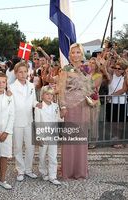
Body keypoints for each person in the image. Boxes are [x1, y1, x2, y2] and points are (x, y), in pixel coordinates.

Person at [59, 43, 93, 179]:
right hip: (70, 108)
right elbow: (61, 89)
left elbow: (90, 88)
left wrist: (90, 96)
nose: (75, 55)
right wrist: (62, 106)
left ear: (82, 54)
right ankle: (68, 171)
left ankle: (80, 171)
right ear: (70, 55)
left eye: (78, 52)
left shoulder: (86, 69)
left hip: (83, 106)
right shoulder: (65, 69)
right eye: (73, 52)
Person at [10, 61, 40, 181]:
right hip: (16, 121)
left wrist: (39, 104)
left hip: (29, 120)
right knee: (17, 147)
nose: (23, 74)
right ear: (16, 73)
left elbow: (33, 101)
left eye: (25, 71)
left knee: (30, 146)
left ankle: (28, 169)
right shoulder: (11, 87)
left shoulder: (31, 86)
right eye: (20, 72)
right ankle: (20, 170)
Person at [35, 85, 61, 185]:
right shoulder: (39, 107)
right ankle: (43, 172)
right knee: (42, 155)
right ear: (42, 95)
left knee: (53, 156)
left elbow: (58, 119)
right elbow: (37, 122)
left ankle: (52, 176)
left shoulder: (55, 106)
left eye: (51, 94)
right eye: (47, 94)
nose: (50, 96)